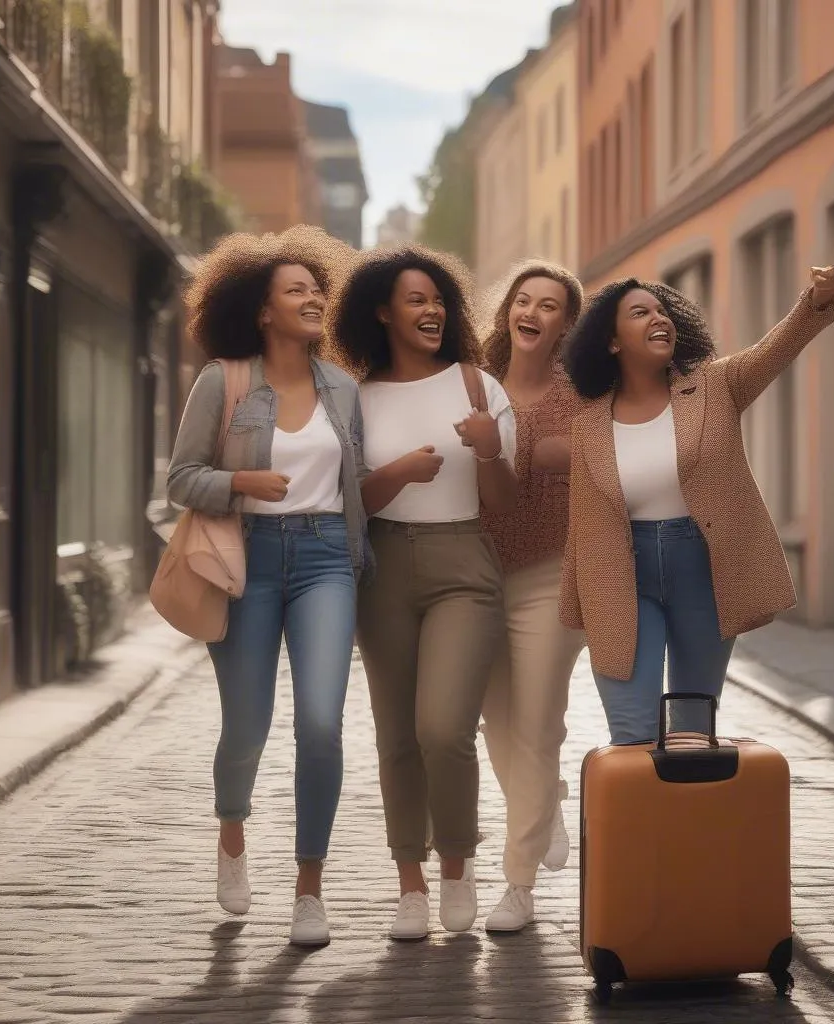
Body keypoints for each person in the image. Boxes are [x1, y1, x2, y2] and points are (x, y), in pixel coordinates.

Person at [166, 226, 369, 947]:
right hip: (244, 559)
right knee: (246, 725)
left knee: (321, 722)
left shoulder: (343, 388)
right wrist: (241, 482)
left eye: (317, 289)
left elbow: (359, 487)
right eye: (297, 290)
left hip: (324, 561)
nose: (314, 299)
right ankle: (231, 836)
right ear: (262, 310)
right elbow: (180, 478)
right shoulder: (223, 380)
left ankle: (309, 890)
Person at [560, 267, 834, 744]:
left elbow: (774, 351)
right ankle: (636, 821)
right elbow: (585, 522)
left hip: (705, 569)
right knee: (632, 730)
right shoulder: (587, 424)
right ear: (612, 341)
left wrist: (815, 301)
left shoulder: (715, 385)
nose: (659, 318)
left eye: (664, 311)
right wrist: (573, 604)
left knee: (692, 729)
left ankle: (680, 819)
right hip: (621, 576)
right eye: (640, 312)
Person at [330, 245, 518, 941]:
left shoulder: (478, 387)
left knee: (443, 728)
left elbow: (503, 501)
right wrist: (400, 471)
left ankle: (457, 867)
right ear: (382, 312)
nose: (432, 310)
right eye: (416, 299)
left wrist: (490, 446)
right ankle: (410, 884)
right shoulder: (352, 396)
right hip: (382, 566)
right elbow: (348, 499)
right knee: (396, 735)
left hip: (463, 560)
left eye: (438, 299)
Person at [476, 260, 587, 933]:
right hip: (478, 575)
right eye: (524, 299)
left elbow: (609, 465)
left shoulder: (583, 398)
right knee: (496, 724)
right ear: (508, 311)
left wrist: (567, 455)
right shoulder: (472, 385)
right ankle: (548, 799)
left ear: (565, 324)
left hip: (551, 575)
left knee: (539, 721)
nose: (533, 312)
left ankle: (516, 887)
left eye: (549, 305)